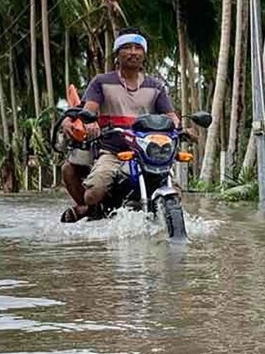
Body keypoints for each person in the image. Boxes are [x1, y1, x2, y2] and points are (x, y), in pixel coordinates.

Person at [60, 28, 178, 222]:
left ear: (144, 54)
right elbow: (89, 108)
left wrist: (179, 127)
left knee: (176, 190)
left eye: (138, 48)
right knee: (93, 192)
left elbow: (170, 116)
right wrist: (89, 121)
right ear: (117, 54)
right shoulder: (101, 82)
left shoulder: (156, 86)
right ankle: (92, 209)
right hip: (112, 150)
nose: (133, 52)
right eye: (127, 47)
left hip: (147, 153)